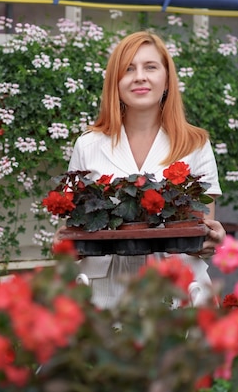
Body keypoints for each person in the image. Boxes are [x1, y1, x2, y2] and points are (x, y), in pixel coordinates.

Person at [68, 30, 226, 309]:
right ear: (115, 83)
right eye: (128, 69)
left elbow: (202, 229)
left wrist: (213, 239)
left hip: (177, 291)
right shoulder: (88, 145)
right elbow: (72, 234)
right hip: (104, 295)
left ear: (166, 79)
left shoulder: (195, 144)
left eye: (150, 67)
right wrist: (65, 245)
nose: (139, 76)